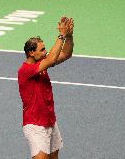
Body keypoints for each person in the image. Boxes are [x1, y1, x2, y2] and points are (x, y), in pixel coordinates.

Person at [18, 17, 74, 159]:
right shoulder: (26, 70)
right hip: (35, 126)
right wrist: (61, 35)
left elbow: (66, 54)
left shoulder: (42, 62)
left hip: (50, 121)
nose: (45, 52)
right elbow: (51, 59)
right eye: (42, 50)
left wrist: (69, 36)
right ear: (31, 53)